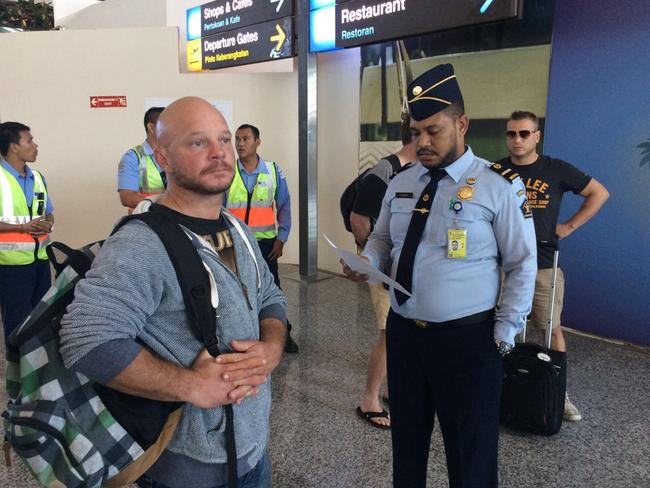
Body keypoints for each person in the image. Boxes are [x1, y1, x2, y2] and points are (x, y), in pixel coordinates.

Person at [60, 97, 288, 488]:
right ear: (163, 158)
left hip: (252, 451)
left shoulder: (235, 228)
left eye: (225, 140)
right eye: (199, 143)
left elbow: (269, 294)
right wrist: (191, 385)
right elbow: (86, 338)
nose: (219, 153)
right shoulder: (142, 243)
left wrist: (272, 346)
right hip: (188, 468)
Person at [343, 64, 537, 488]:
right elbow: (380, 240)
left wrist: (503, 335)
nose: (423, 142)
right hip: (406, 335)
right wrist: (369, 262)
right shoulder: (402, 182)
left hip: (468, 341)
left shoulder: (497, 185)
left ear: (462, 124)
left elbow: (522, 263)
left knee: (470, 454)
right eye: (416, 132)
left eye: (434, 130)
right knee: (406, 446)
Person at [498, 110, 610, 422]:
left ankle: (558, 393)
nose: (517, 139)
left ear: (536, 136)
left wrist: (570, 226)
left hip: (544, 264)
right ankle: (501, 385)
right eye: (511, 134)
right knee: (501, 328)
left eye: (524, 133)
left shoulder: (555, 169)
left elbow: (599, 193)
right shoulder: (496, 170)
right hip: (503, 265)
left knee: (550, 328)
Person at [350, 119, 417, 430]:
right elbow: (359, 217)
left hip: (410, 272)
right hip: (386, 271)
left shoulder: (423, 174)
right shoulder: (385, 171)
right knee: (389, 334)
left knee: (404, 334)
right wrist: (370, 256)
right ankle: (370, 398)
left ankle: (393, 388)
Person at [225, 124, 299, 353]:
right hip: (232, 242)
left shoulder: (273, 171)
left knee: (271, 288)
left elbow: (284, 205)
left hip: (265, 242)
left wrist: (282, 237)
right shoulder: (227, 171)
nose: (240, 143)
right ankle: (240, 335)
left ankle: (283, 333)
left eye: (246, 138)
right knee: (233, 289)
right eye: (237, 139)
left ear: (258, 142)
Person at [0, 122, 54, 345]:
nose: (35, 145)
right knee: (18, 324)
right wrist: (22, 228)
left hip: (40, 260)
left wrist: (48, 223)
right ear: (14, 147)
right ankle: (19, 373)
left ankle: (40, 372)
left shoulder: (38, 178)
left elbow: (49, 213)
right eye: (29, 140)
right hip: (11, 264)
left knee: (42, 319)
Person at [117, 107, 166, 211]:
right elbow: (127, 197)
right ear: (151, 128)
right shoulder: (133, 157)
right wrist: (164, 206)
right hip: (146, 220)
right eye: (167, 125)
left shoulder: (176, 154)